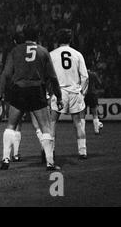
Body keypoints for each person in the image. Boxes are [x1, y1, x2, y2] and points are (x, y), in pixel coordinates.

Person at [0, 25, 63, 171]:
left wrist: (1, 93)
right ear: (37, 35)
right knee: (45, 127)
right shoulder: (43, 51)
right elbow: (52, 77)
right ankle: (50, 163)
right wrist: (58, 96)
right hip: (36, 90)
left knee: (11, 125)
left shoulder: (15, 51)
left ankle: (5, 159)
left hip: (18, 90)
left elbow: (6, 74)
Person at [50, 29, 89, 159]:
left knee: (52, 122)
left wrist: (48, 93)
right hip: (74, 92)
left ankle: (50, 151)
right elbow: (85, 77)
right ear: (70, 40)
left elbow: (48, 76)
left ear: (57, 40)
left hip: (59, 92)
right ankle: (82, 152)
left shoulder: (52, 54)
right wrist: (82, 93)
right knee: (78, 122)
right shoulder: (77, 54)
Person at [81, 68, 103, 135]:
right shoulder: (93, 74)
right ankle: (96, 130)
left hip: (84, 95)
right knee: (94, 113)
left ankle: (82, 131)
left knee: (82, 114)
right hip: (93, 94)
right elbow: (99, 83)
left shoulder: (81, 75)